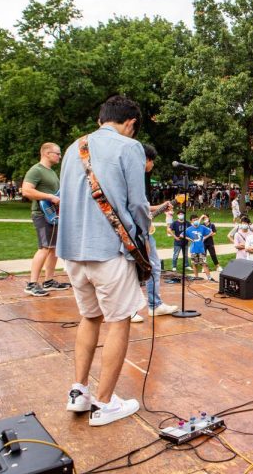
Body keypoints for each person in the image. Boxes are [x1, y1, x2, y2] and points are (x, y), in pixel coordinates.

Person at [57, 95, 149, 426]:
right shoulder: (130, 147)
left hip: (72, 249)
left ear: (100, 120)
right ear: (131, 124)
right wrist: (143, 237)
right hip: (110, 249)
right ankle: (105, 402)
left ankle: (79, 392)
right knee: (119, 320)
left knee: (89, 317)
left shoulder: (72, 148)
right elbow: (138, 203)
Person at [132, 144, 177, 322]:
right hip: (136, 231)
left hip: (143, 231)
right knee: (132, 270)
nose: (152, 166)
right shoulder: (133, 177)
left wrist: (160, 206)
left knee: (154, 267)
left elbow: (140, 205)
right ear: (147, 160)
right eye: (153, 162)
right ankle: (129, 310)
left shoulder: (139, 177)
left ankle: (154, 305)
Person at [22, 142, 71, 296]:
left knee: (53, 249)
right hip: (41, 215)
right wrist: (49, 197)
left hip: (53, 216)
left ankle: (49, 281)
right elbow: (26, 191)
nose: (60, 156)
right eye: (57, 153)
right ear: (46, 153)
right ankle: (32, 284)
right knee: (44, 248)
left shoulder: (51, 172)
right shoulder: (36, 170)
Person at [185, 214, 214, 281]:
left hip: (201, 249)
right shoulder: (189, 229)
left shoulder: (202, 227)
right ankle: (196, 277)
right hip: (193, 250)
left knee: (204, 264)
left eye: (197, 219)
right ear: (191, 221)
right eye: (194, 220)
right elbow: (181, 235)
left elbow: (211, 232)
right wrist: (189, 239)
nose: (196, 221)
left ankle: (209, 277)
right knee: (194, 264)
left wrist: (205, 237)